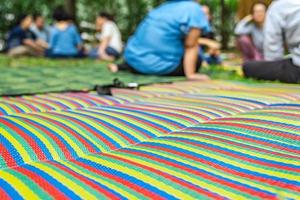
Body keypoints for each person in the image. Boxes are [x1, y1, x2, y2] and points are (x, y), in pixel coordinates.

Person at [109, 0, 211, 81]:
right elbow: (191, 46)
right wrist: (191, 74)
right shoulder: (194, 8)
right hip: (158, 67)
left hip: (133, 61)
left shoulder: (162, 8)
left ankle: (123, 67)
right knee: (197, 58)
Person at [243, 0, 300, 83]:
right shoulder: (252, 27)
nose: (259, 14)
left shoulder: (278, 8)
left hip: (296, 68)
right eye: (256, 12)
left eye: (261, 11)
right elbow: (238, 31)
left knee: (248, 66)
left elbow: (272, 50)